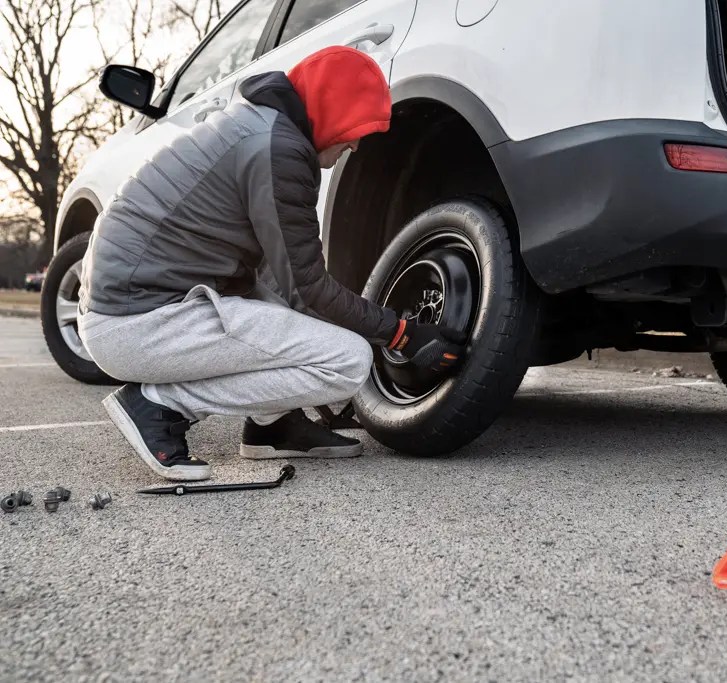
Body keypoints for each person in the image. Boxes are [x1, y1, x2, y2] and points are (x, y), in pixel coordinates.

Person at [77, 46, 466, 482]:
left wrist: (328, 333)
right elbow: (309, 287)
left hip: (136, 307)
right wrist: (400, 332)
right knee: (348, 361)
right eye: (355, 129)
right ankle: (161, 404)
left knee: (304, 323)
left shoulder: (263, 129)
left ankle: (272, 425)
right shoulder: (277, 148)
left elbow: (287, 286)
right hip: (137, 322)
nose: (356, 144)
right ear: (330, 111)